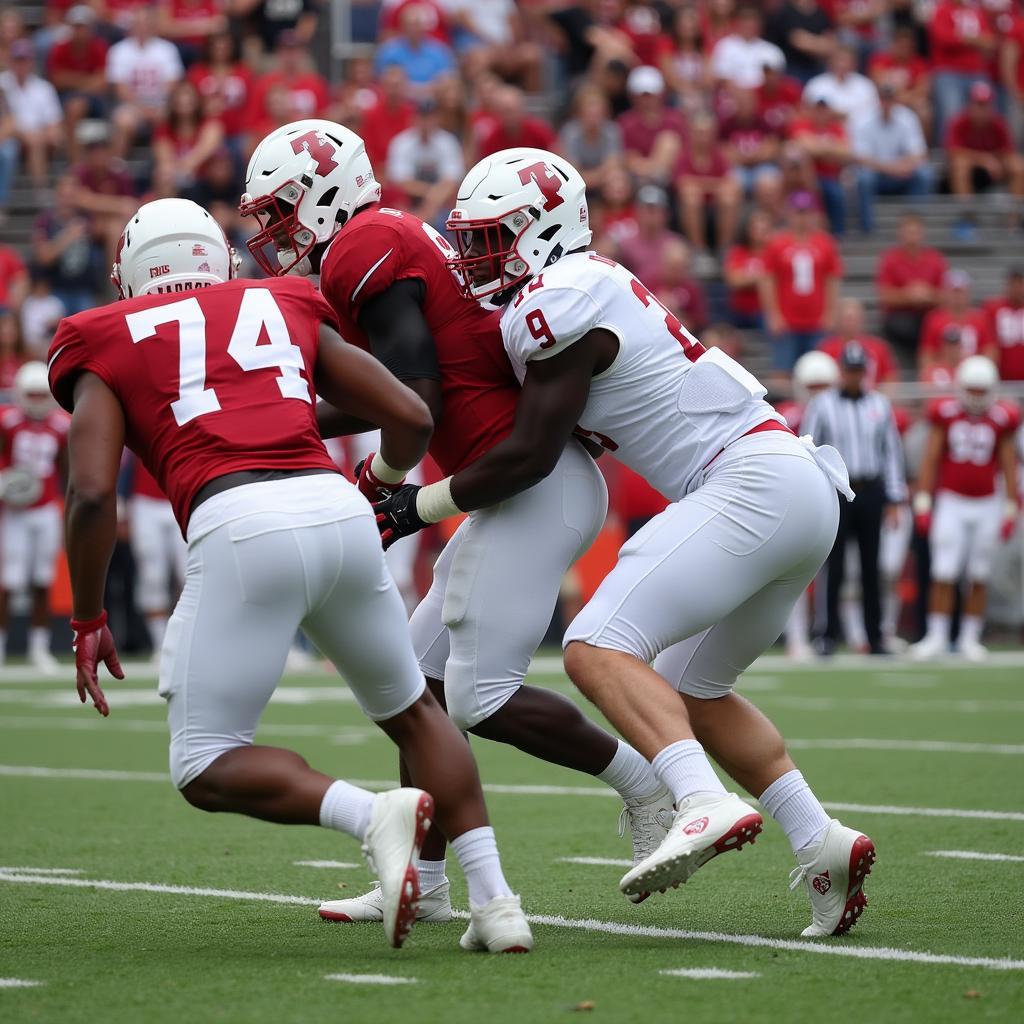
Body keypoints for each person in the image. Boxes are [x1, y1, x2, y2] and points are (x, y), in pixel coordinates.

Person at [378, 146, 875, 938]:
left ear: (545, 230)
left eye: (492, 237)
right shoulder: (589, 286)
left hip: (749, 481)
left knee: (595, 648)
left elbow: (532, 452)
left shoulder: (559, 296)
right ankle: (821, 839)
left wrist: (415, 505)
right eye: (468, 239)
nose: (475, 256)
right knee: (694, 694)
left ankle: (700, 799)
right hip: (800, 486)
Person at [46, 196, 529, 955]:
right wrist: (380, 478)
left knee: (205, 761)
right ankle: (499, 907)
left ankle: (370, 817)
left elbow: (92, 493)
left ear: (126, 275)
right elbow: (410, 413)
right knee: (414, 713)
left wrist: (86, 616)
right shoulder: (285, 300)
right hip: (336, 513)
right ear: (222, 261)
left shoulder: (99, 334)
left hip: (237, 524)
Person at [240, 123, 669, 927]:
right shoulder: (381, 236)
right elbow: (408, 392)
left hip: (529, 482)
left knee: (480, 696)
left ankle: (647, 782)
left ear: (323, 194)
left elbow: (416, 398)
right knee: (417, 681)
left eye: (280, 213)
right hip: (509, 484)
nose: (274, 236)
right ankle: (428, 883)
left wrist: (379, 479)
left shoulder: (365, 244)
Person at [911, 356, 1020, 661]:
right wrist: (923, 501)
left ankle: (970, 637)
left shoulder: (1002, 418)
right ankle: (937, 635)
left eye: (981, 390)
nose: (975, 396)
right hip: (952, 501)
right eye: (971, 389)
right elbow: (931, 459)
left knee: (979, 573)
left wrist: (1011, 505)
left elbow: (1008, 463)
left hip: (987, 502)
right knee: (943, 570)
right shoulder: (945, 413)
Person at [802, 341, 907, 656]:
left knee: (870, 566)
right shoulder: (822, 405)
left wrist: (894, 497)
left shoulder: (879, 405)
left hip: (871, 489)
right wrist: (813, 493)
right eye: (849, 369)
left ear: (865, 372)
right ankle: (827, 635)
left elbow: (891, 452)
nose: (854, 376)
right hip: (836, 490)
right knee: (833, 566)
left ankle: (874, 637)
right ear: (841, 371)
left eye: (859, 370)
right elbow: (809, 447)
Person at [0, 362, 67, 673]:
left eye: (43, 394)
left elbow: (66, 471)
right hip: (14, 512)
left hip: (45, 510)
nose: (38, 400)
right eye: (33, 394)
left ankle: (38, 647)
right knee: (9, 581)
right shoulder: (8, 421)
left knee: (42, 580)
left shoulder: (61, 425)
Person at [759, 191, 843, 383]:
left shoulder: (825, 243)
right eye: (798, 212)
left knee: (819, 371)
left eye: (806, 212)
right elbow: (767, 279)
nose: (802, 218)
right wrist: (773, 314)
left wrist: (830, 313)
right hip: (787, 320)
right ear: (790, 214)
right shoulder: (777, 244)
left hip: (816, 320)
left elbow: (832, 279)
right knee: (782, 369)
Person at [851, 82, 932, 233]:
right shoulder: (862, 119)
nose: (886, 103)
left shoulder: (907, 117)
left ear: (896, 100)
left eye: (890, 99)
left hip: (901, 174)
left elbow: (919, 154)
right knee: (863, 178)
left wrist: (902, 167)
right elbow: (860, 158)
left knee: (924, 174)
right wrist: (894, 168)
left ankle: (914, 227)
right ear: (878, 100)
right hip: (878, 174)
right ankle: (868, 230)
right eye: (883, 99)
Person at [106, 5, 184, 159]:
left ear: (153, 24)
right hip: (132, 106)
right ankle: (116, 165)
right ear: (132, 25)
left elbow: (173, 83)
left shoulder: (167, 49)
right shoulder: (118, 51)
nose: (143, 27)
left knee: (171, 116)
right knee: (123, 120)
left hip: (162, 104)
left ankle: (170, 164)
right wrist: (143, 109)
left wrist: (157, 106)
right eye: (139, 22)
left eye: (146, 22)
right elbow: (120, 88)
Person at [128, 457, 186, 657]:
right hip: (145, 501)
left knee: (191, 574)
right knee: (152, 576)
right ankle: (160, 644)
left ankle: (187, 640)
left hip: (183, 495)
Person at [875, 213, 947, 359]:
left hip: (928, 314)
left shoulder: (935, 259)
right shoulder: (890, 259)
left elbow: (946, 295)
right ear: (900, 234)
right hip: (901, 317)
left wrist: (927, 294)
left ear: (923, 234)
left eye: (916, 232)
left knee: (937, 324)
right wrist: (909, 295)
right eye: (908, 232)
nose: (912, 237)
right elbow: (885, 295)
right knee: (906, 326)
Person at [386, 96, 464, 229]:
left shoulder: (448, 142)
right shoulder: (401, 143)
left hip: (441, 205)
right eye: (422, 116)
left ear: (437, 118)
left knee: (447, 221)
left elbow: (452, 181)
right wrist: (431, 192)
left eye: (430, 117)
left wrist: (428, 208)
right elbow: (401, 182)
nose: (426, 121)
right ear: (414, 118)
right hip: (408, 203)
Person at [0, 39, 63, 187]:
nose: (21, 64)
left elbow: (55, 124)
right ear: (10, 61)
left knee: (38, 141)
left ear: (31, 61)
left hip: (37, 136)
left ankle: (39, 192)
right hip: (9, 135)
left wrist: (40, 134)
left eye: (24, 59)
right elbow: (8, 122)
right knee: (9, 149)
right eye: (17, 59)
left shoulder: (44, 88)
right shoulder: (1, 83)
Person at [918, 269, 997, 377]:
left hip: (973, 376)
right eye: (954, 292)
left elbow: (990, 352)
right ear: (946, 292)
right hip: (944, 377)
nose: (957, 297)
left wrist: (979, 370)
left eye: (961, 292)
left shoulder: (980, 318)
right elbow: (927, 355)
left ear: (968, 292)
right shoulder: (934, 319)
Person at [617, 65, 687, 185]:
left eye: (650, 95)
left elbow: (684, 153)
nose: (647, 100)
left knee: (668, 141)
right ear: (632, 96)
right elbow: (629, 159)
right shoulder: (626, 122)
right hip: (636, 179)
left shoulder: (675, 119)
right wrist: (653, 167)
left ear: (661, 94)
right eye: (642, 95)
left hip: (670, 179)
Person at [818, 297, 898, 391]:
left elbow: (890, 377)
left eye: (854, 318)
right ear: (838, 320)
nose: (851, 323)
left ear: (862, 319)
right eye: (847, 319)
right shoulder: (827, 348)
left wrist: (876, 398)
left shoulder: (879, 347)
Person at [803, 45, 879, 120]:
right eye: (839, 60)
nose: (842, 64)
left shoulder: (866, 85)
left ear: (855, 63)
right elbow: (809, 112)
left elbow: (873, 113)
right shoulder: (816, 84)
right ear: (831, 62)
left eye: (847, 60)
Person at [983, 266, 1024, 381]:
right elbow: (988, 343)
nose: (1017, 288)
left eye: (1020, 283)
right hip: (1002, 378)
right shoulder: (993, 309)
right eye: (1013, 283)